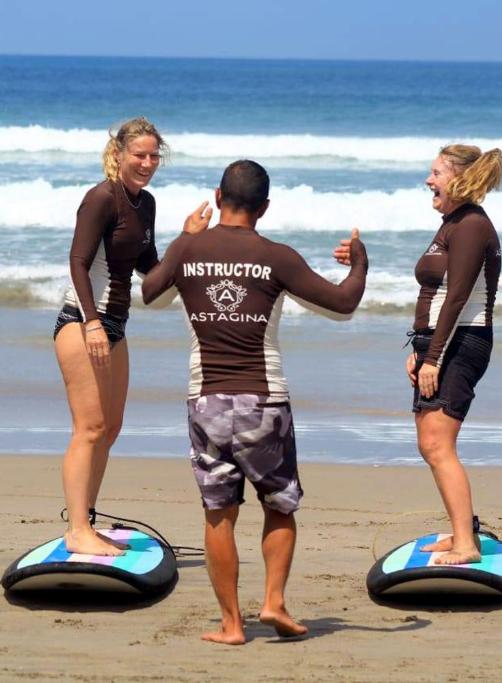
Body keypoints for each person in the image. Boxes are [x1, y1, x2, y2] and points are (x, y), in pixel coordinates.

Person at [142, 160, 367, 645]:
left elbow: (151, 296)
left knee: (219, 513)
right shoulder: (277, 256)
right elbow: (342, 305)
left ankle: (231, 624)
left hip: (206, 402)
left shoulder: (187, 248)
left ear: (218, 196)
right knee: (279, 505)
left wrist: (184, 240)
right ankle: (274, 602)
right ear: (264, 207)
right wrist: (360, 264)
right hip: (265, 402)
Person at [54, 117, 212, 556]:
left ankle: (85, 519)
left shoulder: (146, 204)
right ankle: (77, 529)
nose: (146, 163)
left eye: (153, 156)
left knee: (110, 427)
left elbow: (150, 266)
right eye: (138, 155)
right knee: (89, 428)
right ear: (119, 154)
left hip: (115, 326)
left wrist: (187, 241)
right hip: (82, 321)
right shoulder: (101, 198)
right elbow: (78, 261)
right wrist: (89, 322)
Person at [406, 144, 502, 566]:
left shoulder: (470, 226)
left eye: (436, 173)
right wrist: (420, 349)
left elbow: (459, 296)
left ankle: (466, 542)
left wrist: (435, 358)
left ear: (460, 178)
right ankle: (462, 531)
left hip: (461, 343)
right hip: (441, 344)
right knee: (431, 445)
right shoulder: (453, 222)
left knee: (438, 444)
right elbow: (437, 292)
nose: (429, 180)